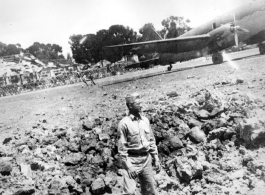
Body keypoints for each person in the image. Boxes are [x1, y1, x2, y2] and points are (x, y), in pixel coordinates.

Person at [118, 92, 161, 195]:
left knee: (150, 191)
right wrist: (129, 166)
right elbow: (122, 149)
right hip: (132, 160)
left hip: (146, 160)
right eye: (138, 103)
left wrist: (156, 158)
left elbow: (151, 141)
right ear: (130, 105)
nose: (141, 105)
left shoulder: (145, 121)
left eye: (140, 103)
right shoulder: (124, 123)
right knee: (129, 192)